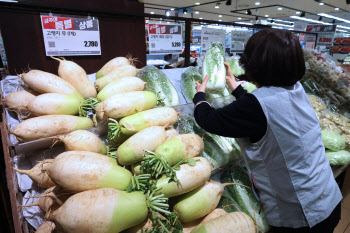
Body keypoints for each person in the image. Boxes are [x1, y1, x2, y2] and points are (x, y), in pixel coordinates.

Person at [193, 29, 342, 232]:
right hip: (328, 199)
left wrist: (200, 96)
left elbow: (209, 120)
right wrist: (236, 88)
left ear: (254, 65)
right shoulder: (297, 89)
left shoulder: (256, 106)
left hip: (302, 216)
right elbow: (265, 105)